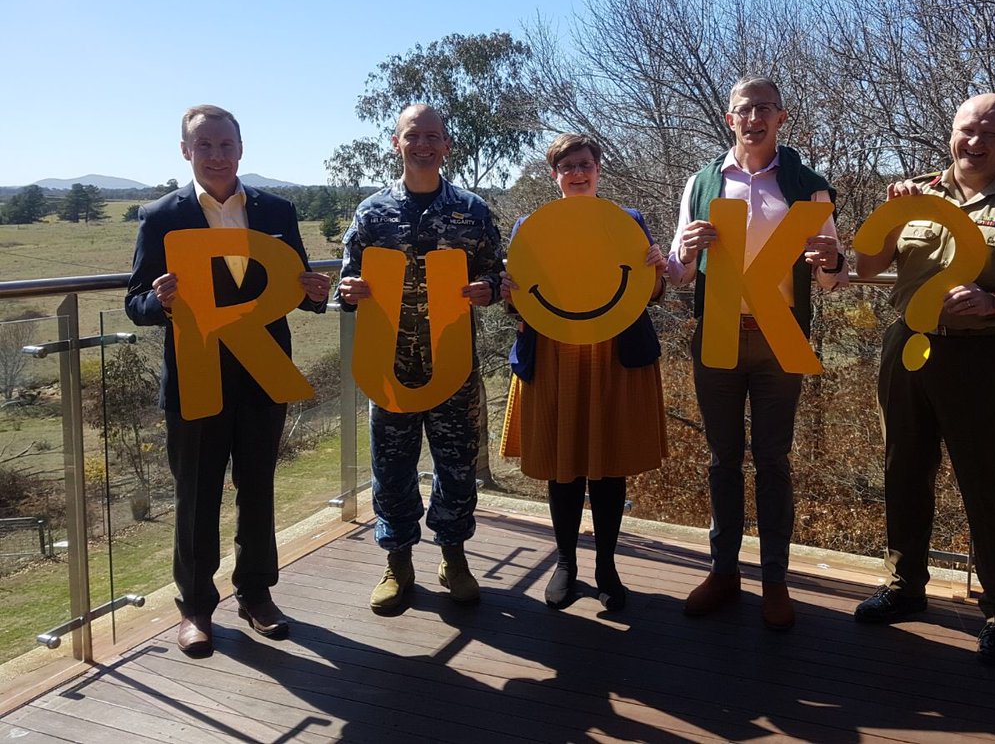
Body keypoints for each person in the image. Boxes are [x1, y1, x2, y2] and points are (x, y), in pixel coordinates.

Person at [852, 92, 995, 664]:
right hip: (906, 348)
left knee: (984, 484)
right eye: (966, 130)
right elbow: (865, 267)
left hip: (981, 356)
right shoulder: (917, 195)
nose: (975, 142)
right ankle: (905, 587)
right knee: (903, 470)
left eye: (990, 133)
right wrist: (890, 216)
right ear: (951, 133)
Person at [126, 104, 330, 656]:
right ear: (185, 151)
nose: (216, 155)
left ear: (241, 149)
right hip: (197, 377)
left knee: (258, 486)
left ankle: (257, 594)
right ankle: (195, 607)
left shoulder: (277, 210)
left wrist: (316, 293)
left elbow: (298, 289)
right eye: (205, 146)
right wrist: (159, 301)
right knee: (196, 494)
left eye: (225, 145)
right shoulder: (160, 216)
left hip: (264, 371)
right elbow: (135, 302)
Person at [666, 76, 849, 630]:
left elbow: (833, 282)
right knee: (723, 459)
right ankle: (723, 573)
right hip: (717, 334)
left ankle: (775, 581)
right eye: (744, 110)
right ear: (730, 119)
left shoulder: (808, 185)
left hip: (780, 337)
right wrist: (683, 252)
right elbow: (677, 274)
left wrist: (832, 260)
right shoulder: (701, 183)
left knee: (772, 461)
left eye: (765, 108)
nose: (754, 118)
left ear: (781, 117)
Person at [338, 103, 503, 613]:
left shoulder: (473, 211)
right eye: (414, 135)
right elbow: (347, 282)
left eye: (434, 135)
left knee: (455, 466)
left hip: (452, 364)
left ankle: (453, 557)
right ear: (396, 143)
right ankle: (397, 563)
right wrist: (352, 290)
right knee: (391, 468)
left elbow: (500, 274)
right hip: (388, 364)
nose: (424, 144)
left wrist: (488, 289)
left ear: (447, 145)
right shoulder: (371, 212)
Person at [499, 134, 669, 612]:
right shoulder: (530, 226)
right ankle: (566, 562)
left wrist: (655, 270)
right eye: (568, 166)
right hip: (555, 355)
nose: (578, 172)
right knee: (563, 462)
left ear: (598, 169)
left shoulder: (628, 222)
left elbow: (649, 294)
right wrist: (511, 292)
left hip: (613, 357)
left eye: (585, 164)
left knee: (609, 464)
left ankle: (607, 564)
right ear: (555, 175)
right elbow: (521, 301)